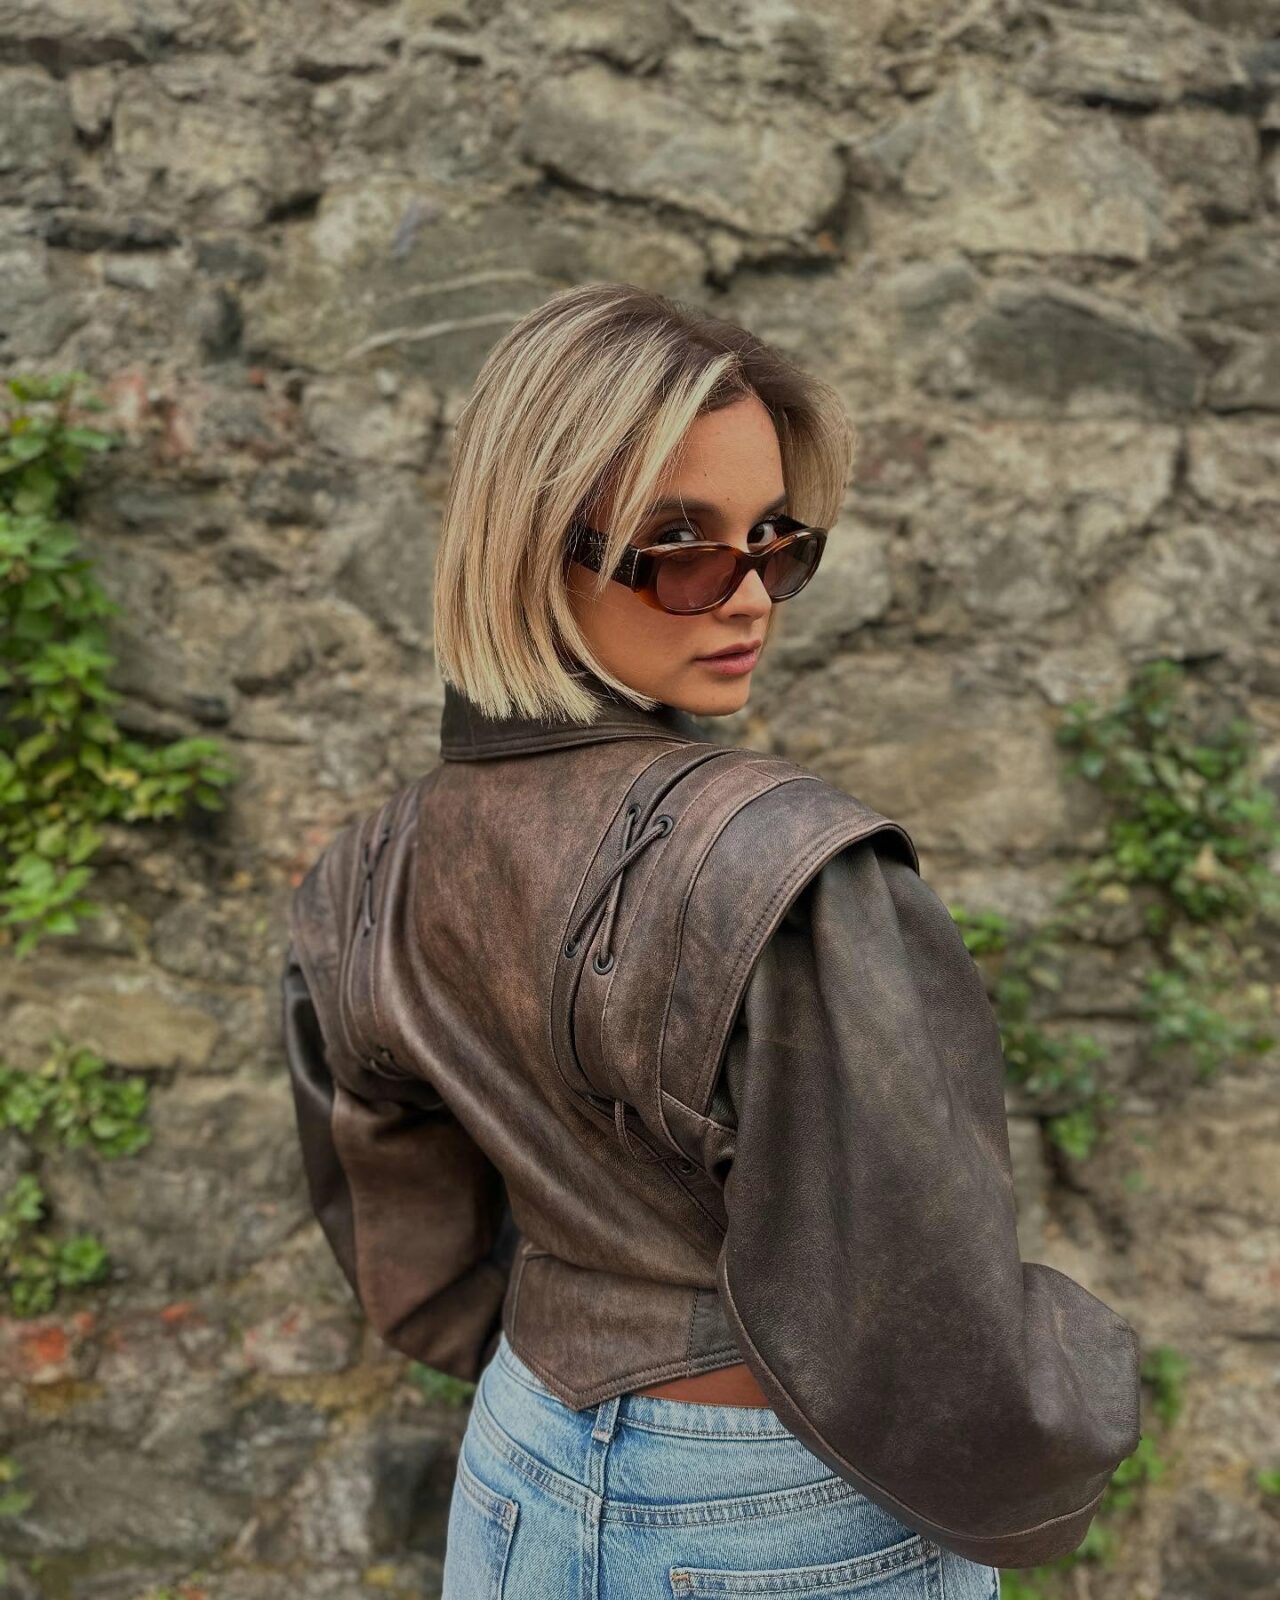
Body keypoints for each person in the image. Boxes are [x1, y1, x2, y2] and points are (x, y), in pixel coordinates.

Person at [280, 283, 1142, 1600]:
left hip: (522, 1449)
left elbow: (390, 1202)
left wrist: (571, 1313)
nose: (749, 598)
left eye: (775, 543)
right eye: (679, 545)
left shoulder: (376, 863)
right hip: (782, 1505)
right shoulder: (789, 869)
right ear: (529, 546)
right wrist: (1083, 1387)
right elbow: (930, 1319)